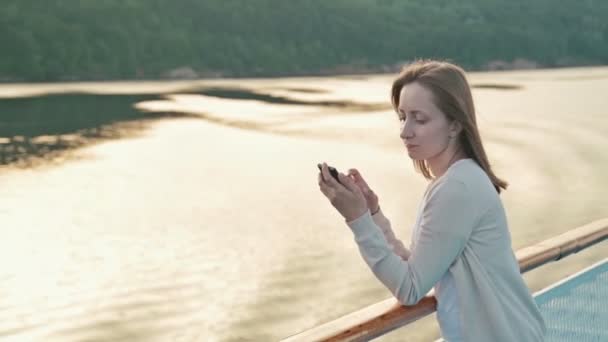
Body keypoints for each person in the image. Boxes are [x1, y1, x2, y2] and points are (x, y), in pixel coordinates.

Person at [317, 60, 546, 341]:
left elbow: (410, 289)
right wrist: (372, 214)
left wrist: (357, 220)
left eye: (419, 119)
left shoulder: (458, 188)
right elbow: (417, 267)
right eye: (402, 117)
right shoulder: (456, 181)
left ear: (454, 125)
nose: (405, 131)